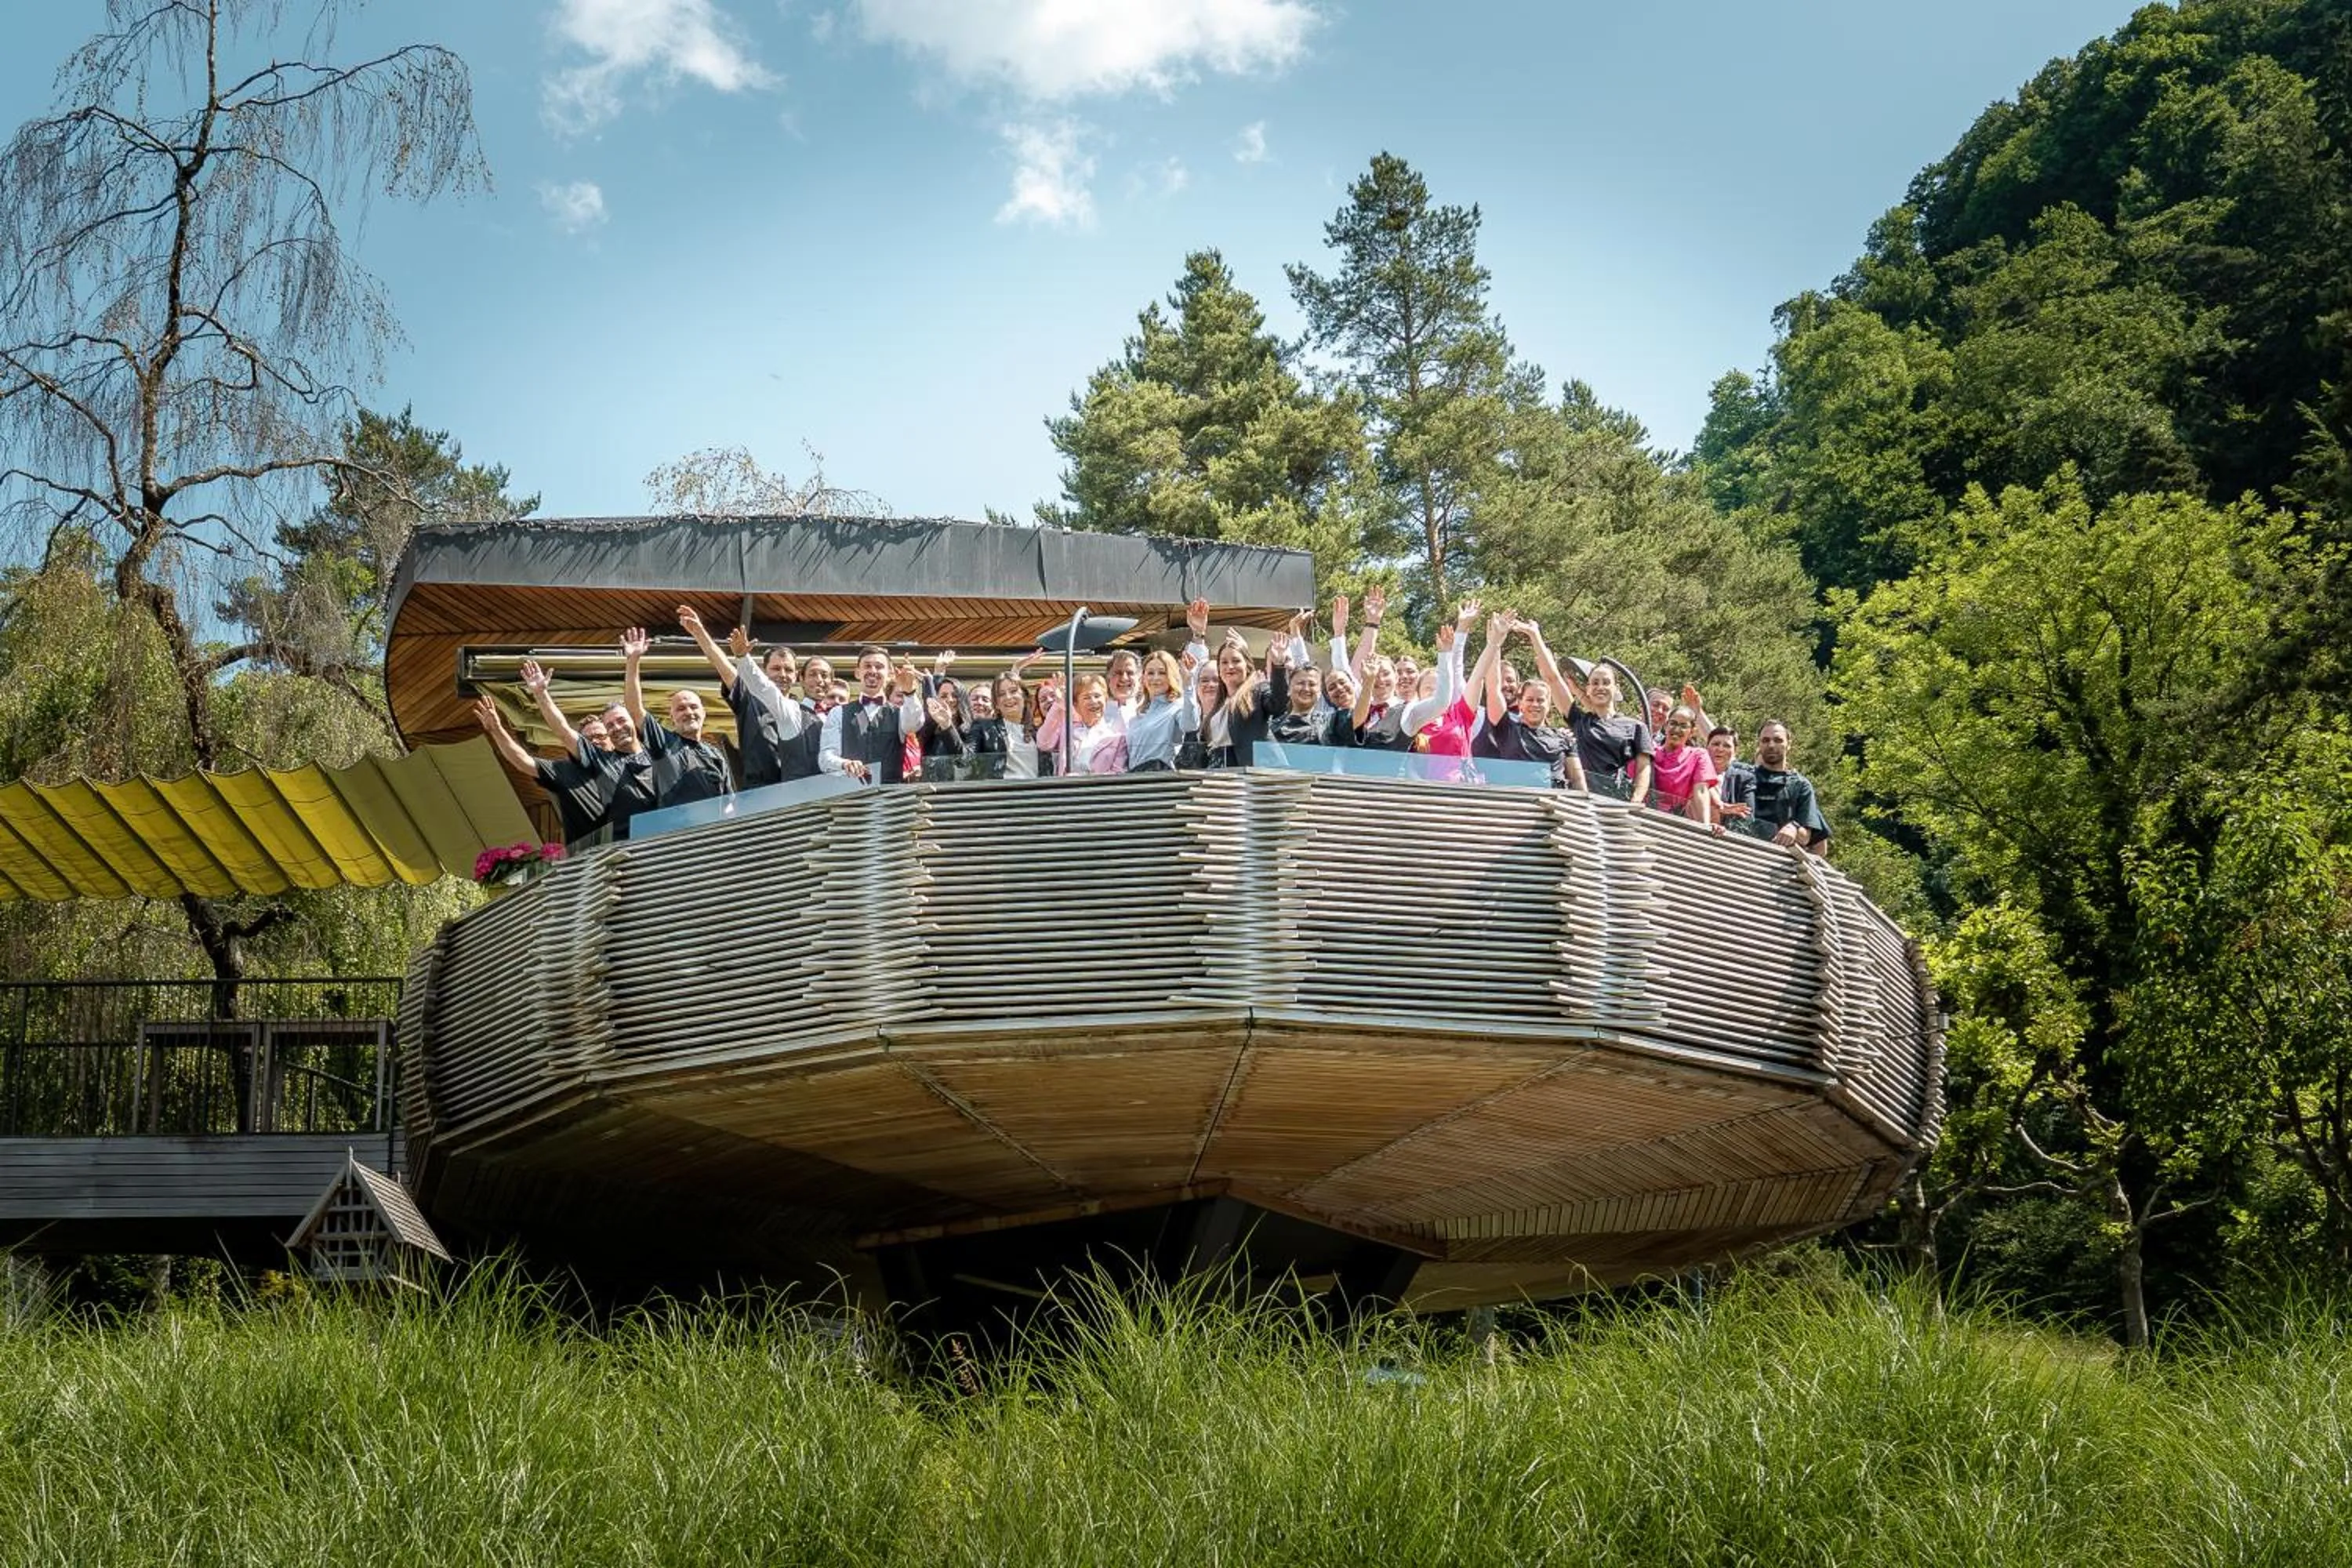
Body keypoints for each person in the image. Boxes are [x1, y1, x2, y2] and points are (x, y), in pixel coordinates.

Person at [1516, 622, 1655, 803]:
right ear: (1587, 689)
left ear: (1616, 688)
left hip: (1615, 800)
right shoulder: (1580, 721)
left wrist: (1636, 800)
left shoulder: (1635, 726)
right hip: (1581, 800)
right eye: (1595, 683)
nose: (1600, 687)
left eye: (1606, 683)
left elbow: (1644, 768)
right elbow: (1552, 678)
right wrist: (1535, 636)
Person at [677, 606, 809, 789]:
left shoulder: (805, 713)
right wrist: (699, 632)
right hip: (759, 794)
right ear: (763, 672)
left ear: (796, 676)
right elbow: (723, 666)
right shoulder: (750, 698)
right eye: (776, 669)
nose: (783, 674)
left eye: (788, 670)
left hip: (797, 793)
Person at [473, 687, 617, 846]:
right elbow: (522, 761)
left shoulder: (628, 765)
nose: (595, 741)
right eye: (587, 740)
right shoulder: (564, 770)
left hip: (635, 846)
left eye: (600, 736)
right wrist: (497, 730)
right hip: (590, 856)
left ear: (611, 739)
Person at [621, 627, 735, 808]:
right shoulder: (663, 742)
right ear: (672, 717)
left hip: (712, 833)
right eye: (681, 709)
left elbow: (728, 804)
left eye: (693, 707)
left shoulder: (716, 755)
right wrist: (633, 660)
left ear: (704, 713)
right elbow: (635, 710)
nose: (689, 712)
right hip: (676, 832)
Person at [1475, 626, 1585, 790]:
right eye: (1530, 700)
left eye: (1540, 700)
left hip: (1557, 804)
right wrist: (1495, 643)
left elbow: (1577, 780)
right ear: (1520, 703)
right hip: (1519, 804)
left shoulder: (1564, 738)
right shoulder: (1508, 730)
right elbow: (1493, 688)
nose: (1535, 705)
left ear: (1549, 705)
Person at [820, 644, 919, 783]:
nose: (873, 671)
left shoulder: (900, 713)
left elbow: (915, 724)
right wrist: (844, 764)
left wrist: (910, 693)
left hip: (891, 797)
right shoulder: (838, 713)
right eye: (867, 666)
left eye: (879, 666)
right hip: (851, 795)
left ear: (890, 673)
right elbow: (825, 757)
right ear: (857, 672)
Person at [1734, 720, 1831, 851]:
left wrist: (1794, 829)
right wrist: (1698, 714)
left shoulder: (1800, 785)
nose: (1771, 745)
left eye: (1778, 740)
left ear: (1789, 744)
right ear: (1759, 744)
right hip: (1738, 852)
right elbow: (1721, 745)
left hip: (1777, 862)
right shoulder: (1741, 774)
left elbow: (1808, 835)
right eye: (1765, 740)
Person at [1037, 671, 1128, 774]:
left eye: (1097, 696)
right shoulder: (1067, 730)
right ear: (1076, 704)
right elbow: (1044, 743)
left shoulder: (1117, 737)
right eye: (1086, 697)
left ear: (1106, 699)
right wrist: (1059, 703)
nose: (1093, 701)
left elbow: (1118, 773)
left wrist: (1085, 780)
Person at [1123, 649, 1197, 771]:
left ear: (1171, 676)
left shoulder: (1177, 707)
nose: (1155, 678)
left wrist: (1188, 685)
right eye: (1151, 673)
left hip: (1160, 779)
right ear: (1144, 677)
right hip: (1134, 779)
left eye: (1162, 673)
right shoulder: (1138, 713)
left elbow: (1191, 725)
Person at [971, 664, 1044, 778]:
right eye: (1001, 694)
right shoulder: (986, 728)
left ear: (1024, 696)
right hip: (1004, 793)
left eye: (1013, 691)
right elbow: (965, 758)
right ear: (996, 704)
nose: (1008, 697)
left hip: (1037, 793)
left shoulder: (1039, 732)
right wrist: (947, 726)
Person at [1648, 706, 1719, 822]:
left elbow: (1701, 791)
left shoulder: (1697, 756)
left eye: (1683, 726)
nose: (1676, 729)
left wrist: (1705, 828)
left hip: (1676, 821)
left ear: (1692, 732)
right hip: (1646, 815)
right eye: (1673, 723)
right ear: (1666, 726)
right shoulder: (1651, 751)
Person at [1708, 726, 1753, 827]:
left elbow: (1747, 817)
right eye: (1715, 744)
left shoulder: (1744, 780)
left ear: (1735, 751)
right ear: (1706, 747)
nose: (1720, 749)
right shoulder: (1694, 770)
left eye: (1727, 746)